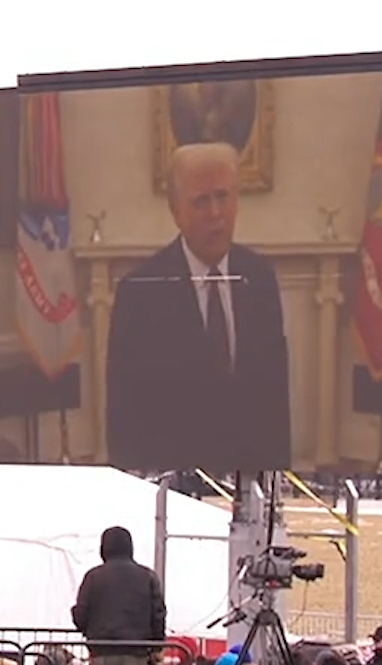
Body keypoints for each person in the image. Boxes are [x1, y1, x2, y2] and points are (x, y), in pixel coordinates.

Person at [103, 141, 290, 471]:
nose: (216, 213)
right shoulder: (140, 292)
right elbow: (123, 419)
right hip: (174, 487)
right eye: (201, 201)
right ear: (176, 211)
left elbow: (275, 402)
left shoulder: (260, 278)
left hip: (249, 483)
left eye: (223, 197)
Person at [71, 526, 166, 665]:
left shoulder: (93, 577)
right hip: (136, 656)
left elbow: (81, 615)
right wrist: (156, 646)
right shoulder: (147, 576)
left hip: (101, 653)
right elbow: (158, 615)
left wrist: (88, 628)